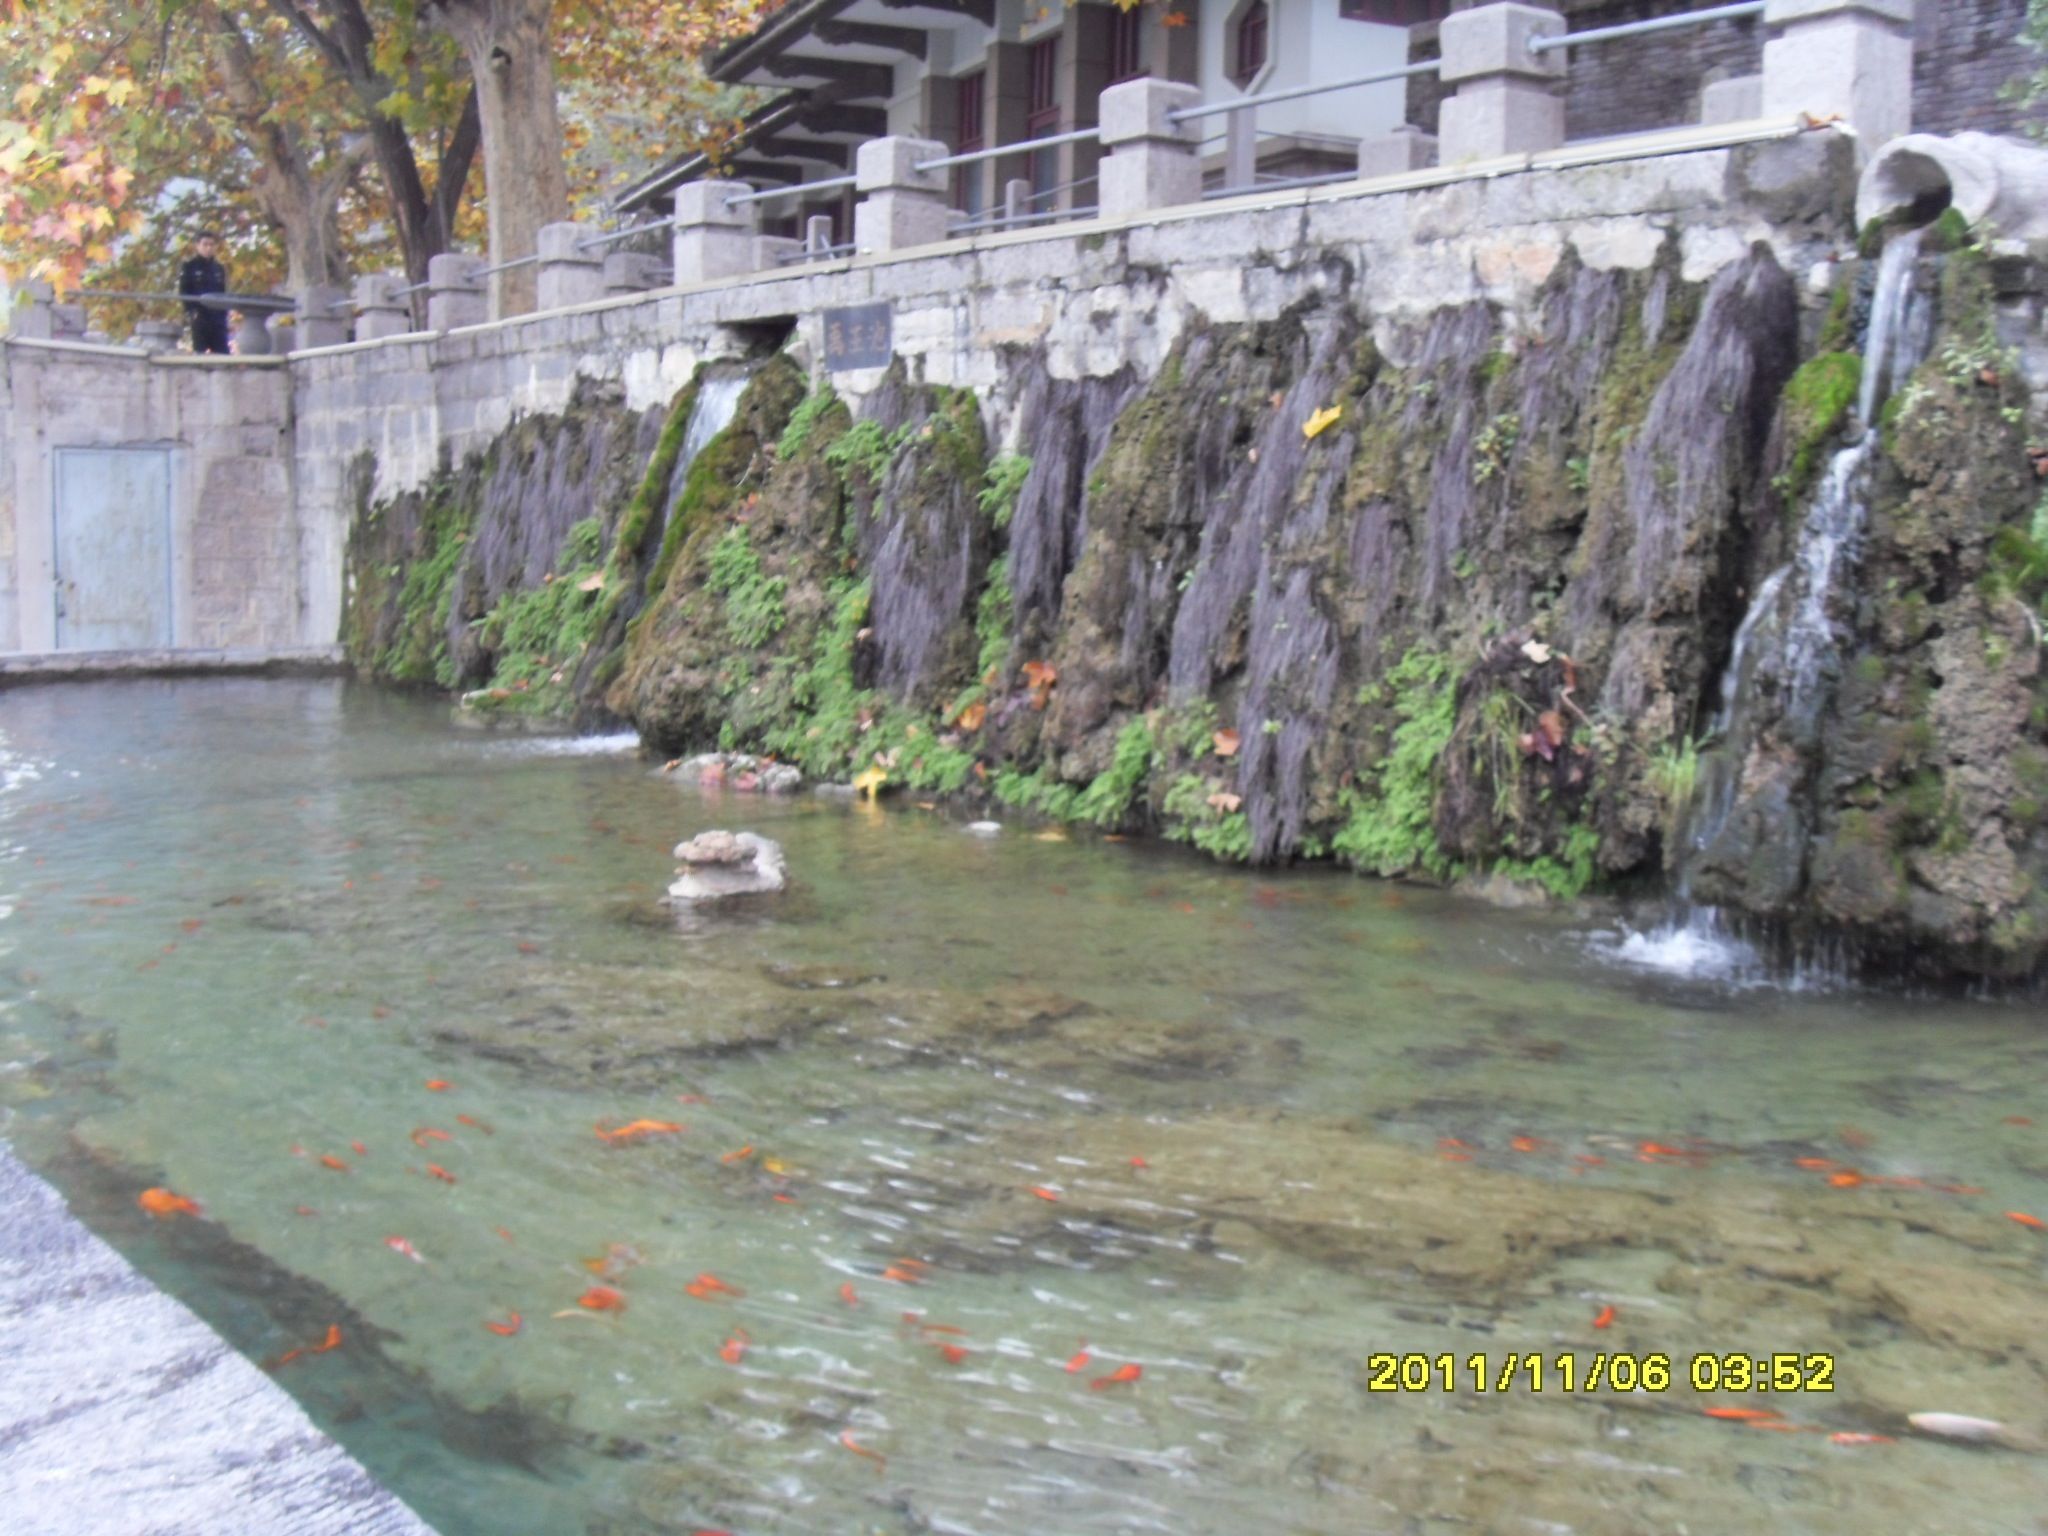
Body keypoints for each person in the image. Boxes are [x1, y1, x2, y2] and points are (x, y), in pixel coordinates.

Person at [178, 232, 231, 354]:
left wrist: (224, 314)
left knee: (222, 353)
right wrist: (191, 311)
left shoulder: (218, 268)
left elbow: (222, 292)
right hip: (200, 316)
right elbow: (184, 291)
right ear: (197, 246)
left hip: (217, 317)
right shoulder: (189, 267)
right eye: (205, 244)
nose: (208, 248)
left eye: (211, 245)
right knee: (200, 352)